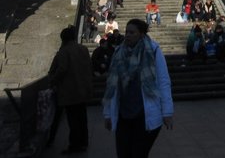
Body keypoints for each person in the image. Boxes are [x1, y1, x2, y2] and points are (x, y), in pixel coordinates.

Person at [103, 19, 174, 158]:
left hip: (145, 112)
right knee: (123, 153)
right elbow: (112, 86)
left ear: (141, 34)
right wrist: (107, 114)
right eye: (126, 32)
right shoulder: (119, 52)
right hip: (124, 113)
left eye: (132, 32)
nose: (128, 35)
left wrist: (167, 112)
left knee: (138, 153)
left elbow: (163, 81)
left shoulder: (153, 50)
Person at [48, 26, 93, 155]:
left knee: (73, 119)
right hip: (83, 88)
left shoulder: (64, 51)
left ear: (62, 39)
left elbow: (61, 69)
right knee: (82, 117)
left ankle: (75, 144)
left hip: (70, 90)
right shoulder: (83, 49)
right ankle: (84, 142)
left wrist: (53, 80)